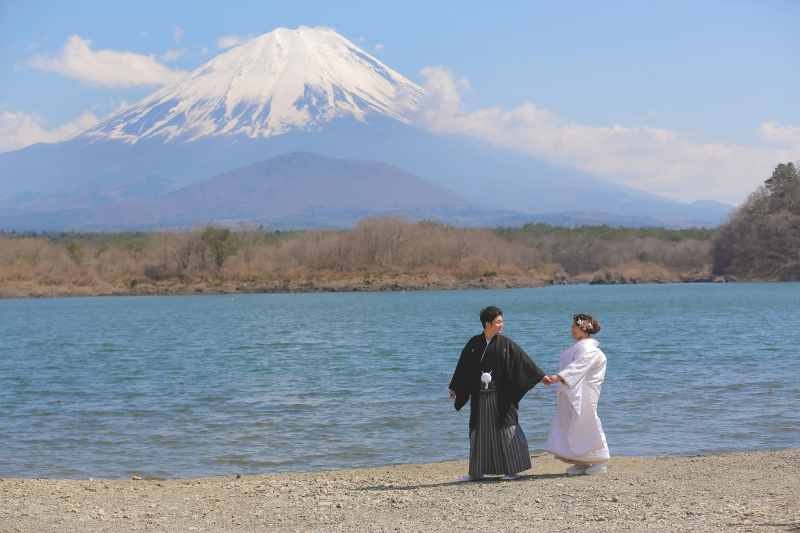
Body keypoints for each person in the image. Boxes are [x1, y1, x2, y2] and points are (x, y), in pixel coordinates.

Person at [448, 306, 546, 481]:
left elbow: (524, 362)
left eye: (502, 321)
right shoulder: (473, 344)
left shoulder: (506, 344)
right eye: (498, 322)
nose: (502, 325)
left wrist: (541, 377)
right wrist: (456, 386)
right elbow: (463, 367)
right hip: (480, 396)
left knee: (507, 430)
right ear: (488, 324)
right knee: (478, 431)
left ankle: (511, 470)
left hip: (501, 396)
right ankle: (477, 471)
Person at [542, 313, 610, 475]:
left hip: (585, 391)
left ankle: (600, 459)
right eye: (572, 326)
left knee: (588, 421)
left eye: (574, 326)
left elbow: (578, 367)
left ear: (584, 328)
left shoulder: (589, 350)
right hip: (572, 390)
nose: (571, 329)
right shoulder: (580, 347)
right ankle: (581, 460)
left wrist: (558, 377)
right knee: (571, 423)